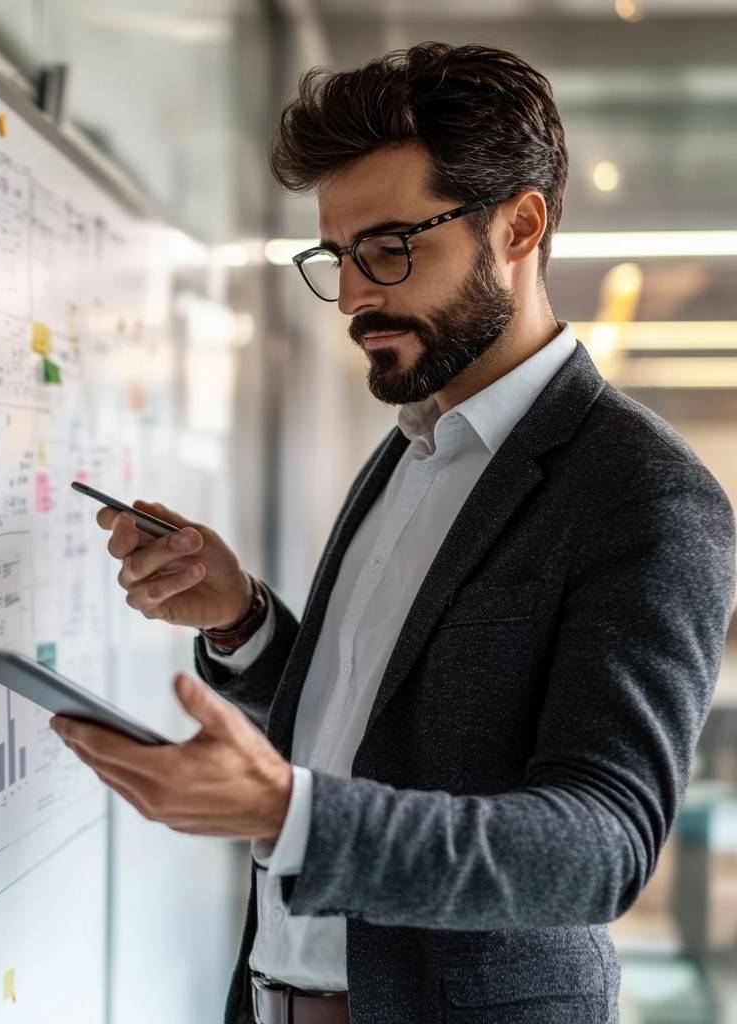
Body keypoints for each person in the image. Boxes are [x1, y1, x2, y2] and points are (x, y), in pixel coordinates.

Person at [51, 42, 736, 1024]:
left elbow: (600, 844)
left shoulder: (641, 489)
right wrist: (243, 621)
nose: (356, 295)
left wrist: (291, 813)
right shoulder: (410, 445)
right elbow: (371, 718)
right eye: (335, 257)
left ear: (519, 225)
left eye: (388, 248)